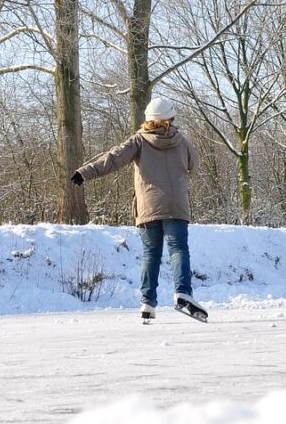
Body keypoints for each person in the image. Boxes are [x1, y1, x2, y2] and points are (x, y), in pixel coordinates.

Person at [72, 97, 206, 322]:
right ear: (171, 118)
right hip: (176, 205)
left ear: (148, 118)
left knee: (151, 254)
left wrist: (84, 172)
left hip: (148, 206)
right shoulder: (182, 141)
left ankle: (148, 303)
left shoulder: (139, 141)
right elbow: (194, 165)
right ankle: (183, 292)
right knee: (178, 250)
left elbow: (113, 158)